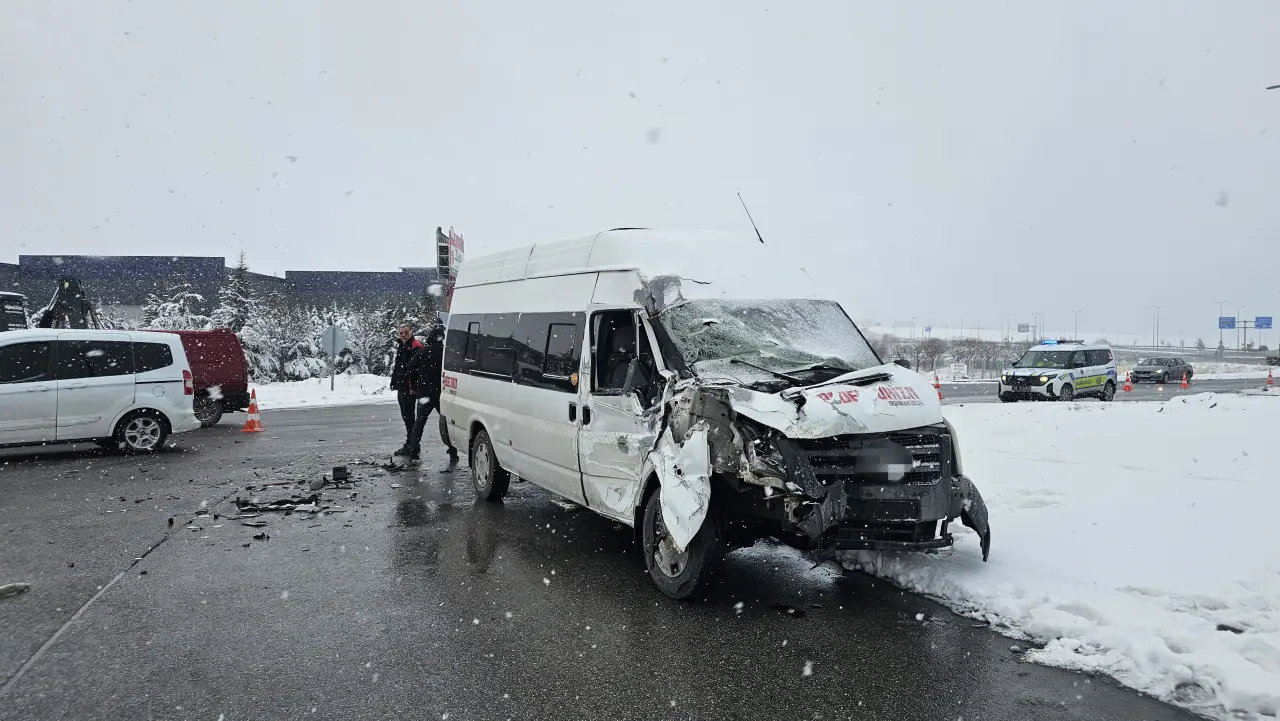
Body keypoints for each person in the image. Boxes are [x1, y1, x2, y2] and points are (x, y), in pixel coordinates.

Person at [405, 324, 457, 461]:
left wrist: (415, 384)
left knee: (419, 422)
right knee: (446, 422)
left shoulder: (423, 352)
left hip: (424, 393)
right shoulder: (446, 352)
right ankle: (453, 451)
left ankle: (413, 450)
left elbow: (410, 367)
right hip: (441, 392)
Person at [389, 323, 424, 454]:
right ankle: (411, 443)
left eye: (406, 332)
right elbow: (399, 367)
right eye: (401, 333)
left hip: (410, 388)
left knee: (409, 417)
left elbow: (416, 369)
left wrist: (413, 386)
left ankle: (413, 445)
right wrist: (394, 382)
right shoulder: (402, 347)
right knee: (406, 417)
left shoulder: (415, 346)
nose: (403, 335)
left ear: (411, 332)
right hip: (401, 387)